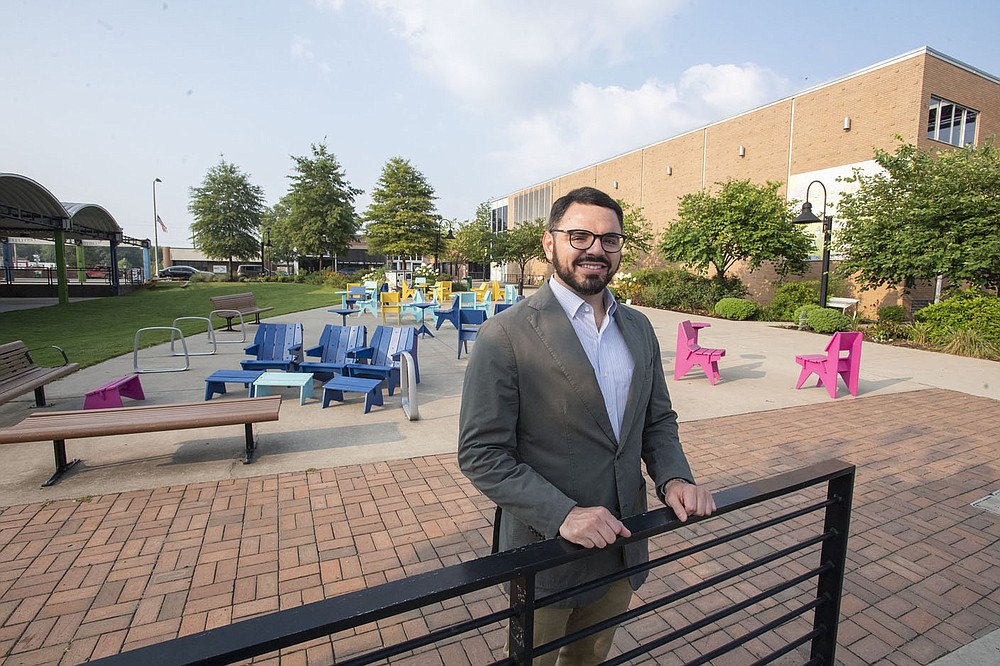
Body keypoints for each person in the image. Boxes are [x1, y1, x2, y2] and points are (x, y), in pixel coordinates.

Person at [458, 186, 715, 665]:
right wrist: (563, 514)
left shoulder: (637, 328)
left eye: (609, 239)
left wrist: (674, 477)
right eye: (580, 236)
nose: (596, 249)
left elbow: (657, 420)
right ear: (549, 242)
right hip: (547, 551)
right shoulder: (506, 335)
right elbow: (481, 454)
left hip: (622, 546)